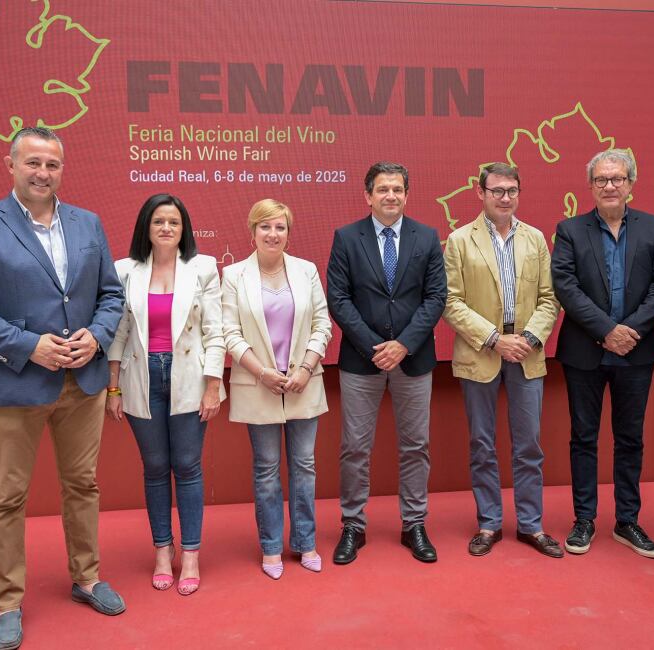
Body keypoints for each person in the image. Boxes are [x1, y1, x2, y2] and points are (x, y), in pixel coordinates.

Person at [0, 126, 125, 650]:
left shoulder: (87, 223)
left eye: (52, 164)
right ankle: (7, 603)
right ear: (11, 165)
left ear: (62, 169)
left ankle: (86, 578)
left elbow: (110, 295)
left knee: (83, 486)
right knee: (7, 498)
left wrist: (97, 335)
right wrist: (28, 345)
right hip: (14, 383)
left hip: (81, 382)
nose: (43, 173)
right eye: (33, 163)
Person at [551, 149, 654, 558]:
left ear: (631, 184)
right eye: (601, 179)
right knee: (583, 437)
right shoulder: (569, 229)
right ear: (591, 186)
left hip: (636, 352)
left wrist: (628, 332)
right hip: (585, 350)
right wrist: (606, 331)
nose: (609, 186)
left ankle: (627, 521)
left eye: (617, 178)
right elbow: (565, 286)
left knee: (629, 438)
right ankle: (584, 519)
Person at [104, 194, 226, 595]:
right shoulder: (126, 270)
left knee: (188, 467)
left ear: (184, 227)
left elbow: (215, 330)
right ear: (147, 227)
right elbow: (119, 332)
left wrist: (213, 384)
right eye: (159, 221)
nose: (167, 228)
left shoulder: (203, 268)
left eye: (174, 221)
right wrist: (114, 385)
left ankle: (189, 553)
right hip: (143, 378)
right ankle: (162, 550)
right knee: (155, 468)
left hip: (189, 377)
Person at [326, 162, 447, 564]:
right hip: (362, 360)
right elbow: (338, 299)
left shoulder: (427, 237)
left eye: (397, 189)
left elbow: (436, 298)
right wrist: (378, 346)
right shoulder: (346, 237)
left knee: (417, 445)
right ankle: (352, 526)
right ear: (368, 196)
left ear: (407, 195)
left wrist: (404, 345)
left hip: (413, 360)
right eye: (382, 189)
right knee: (355, 448)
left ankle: (414, 523)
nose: (390, 196)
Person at [443, 162, 562, 558]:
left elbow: (549, 298)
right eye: (497, 190)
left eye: (512, 190)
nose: (505, 197)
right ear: (481, 193)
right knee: (482, 444)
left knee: (529, 444)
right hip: (482, 350)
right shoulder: (460, 240)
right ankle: (489, 523)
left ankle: (531, 525)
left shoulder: (536, 239)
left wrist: (527, 338)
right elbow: (451, 301)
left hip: (527, 352)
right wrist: (495, 339)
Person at [222, 199, 332, 579]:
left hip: (303, 383)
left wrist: (304, 368)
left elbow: (323, 324)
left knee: (305, 466)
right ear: (252, 231)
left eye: (280, 227)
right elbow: (229, 333)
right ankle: (270, 547)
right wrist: (262, 371)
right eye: (265, 227)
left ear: (289, 232)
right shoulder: (234, 275)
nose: (273, 234)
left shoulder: (306, 271)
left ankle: (305, 542)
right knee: (266, 470)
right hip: (259, 384)